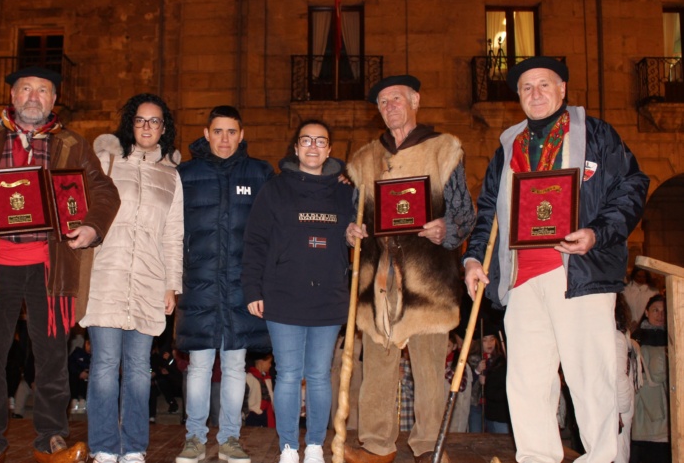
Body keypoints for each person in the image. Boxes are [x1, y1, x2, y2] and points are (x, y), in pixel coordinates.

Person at [463, 56, 650, 463]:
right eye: (527, 88)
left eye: (544, 85)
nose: (536, 94)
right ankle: (536, 458)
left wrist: (598, 232)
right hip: (522, 282)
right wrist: (474, 259)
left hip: (579, 276)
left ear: (562, 89)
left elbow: (633, 185)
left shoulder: (596, 135)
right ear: (518, 97)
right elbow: (488, 209)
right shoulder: (508, 146)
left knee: (590, 379)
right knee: (526, 382)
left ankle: (601, 458)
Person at [0, 65, 120, 463]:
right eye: (26, 89)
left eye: (43, 90)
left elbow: (104, 191)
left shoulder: (73, 144)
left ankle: (52, 439)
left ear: (54, 100)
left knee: (53, 356)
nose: (34, 97)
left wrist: (92, 226)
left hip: (50, 267)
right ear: (13, 96)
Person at [343, 75, 476, 463]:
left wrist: (445, 229)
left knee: (430, 369)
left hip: (429, 279)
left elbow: (465, 214)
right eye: (383, 102)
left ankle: (427, 448)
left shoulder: (443, 150)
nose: (389, 107)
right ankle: (376, 446)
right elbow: (355, 216)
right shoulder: (365, 158)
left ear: (415, 100)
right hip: (377, 279)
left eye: (396, 99)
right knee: (378, 368)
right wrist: (350, 232)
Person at [79, 92, 184, 463]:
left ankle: (135, 446)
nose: (147, 127)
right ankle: (105, 447)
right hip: (106, 275)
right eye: (140, 120)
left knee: (140, 369)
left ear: (164, 128)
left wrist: (172, 284)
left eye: (155, 121)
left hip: (149, 281)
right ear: (130, 124)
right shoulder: (106, 162)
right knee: (105, 365)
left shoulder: (171, 176)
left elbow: (174, 235)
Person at [243, 119, 355, 463]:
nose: (312, 147)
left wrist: (353, 235)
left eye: (320, 141)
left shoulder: (345, 191)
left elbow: (356, 234)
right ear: (295, 148)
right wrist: (252, 289)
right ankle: (289, 446)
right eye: (306, 140)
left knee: (320, 375)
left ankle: (316, 446)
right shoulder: (274, 190)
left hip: (329, 296)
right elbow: (255, 242)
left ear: (329, 150)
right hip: (283, 295)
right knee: (289, 374)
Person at [174, 105, 274, 463]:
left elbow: (272, 230)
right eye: (218, 131)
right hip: (198, 283)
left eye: (232, 132)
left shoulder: (260, 173)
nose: (225, 139)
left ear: (242, 135)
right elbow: (171, 232)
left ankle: (230, 438)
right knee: (199, 366)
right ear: (206, 133)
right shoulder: (183, 174)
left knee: (234, 366)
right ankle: (194, 439)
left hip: (241, 286)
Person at [630, 295, 670, 463]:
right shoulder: (638, 339)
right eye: (655, 310)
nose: (660, 315)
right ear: (646, 312)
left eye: (664, 311)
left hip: (664, 411)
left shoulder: (673, 336)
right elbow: (658, 372)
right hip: (647, 413)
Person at [615, 295, 638, 463]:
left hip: (616, 410)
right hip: (618, 410)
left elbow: (619, 376)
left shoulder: (616, 337)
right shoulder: (621, 337)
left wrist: (620, 410)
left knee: (617, 455)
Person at [243, 352, 275, 428]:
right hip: (253, 414)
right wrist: (246, 414)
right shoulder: (249, 378)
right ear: (261, 362)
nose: (270, 365)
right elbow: (244, 398)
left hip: (266, 413)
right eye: (269, 362)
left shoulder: (267, 378)